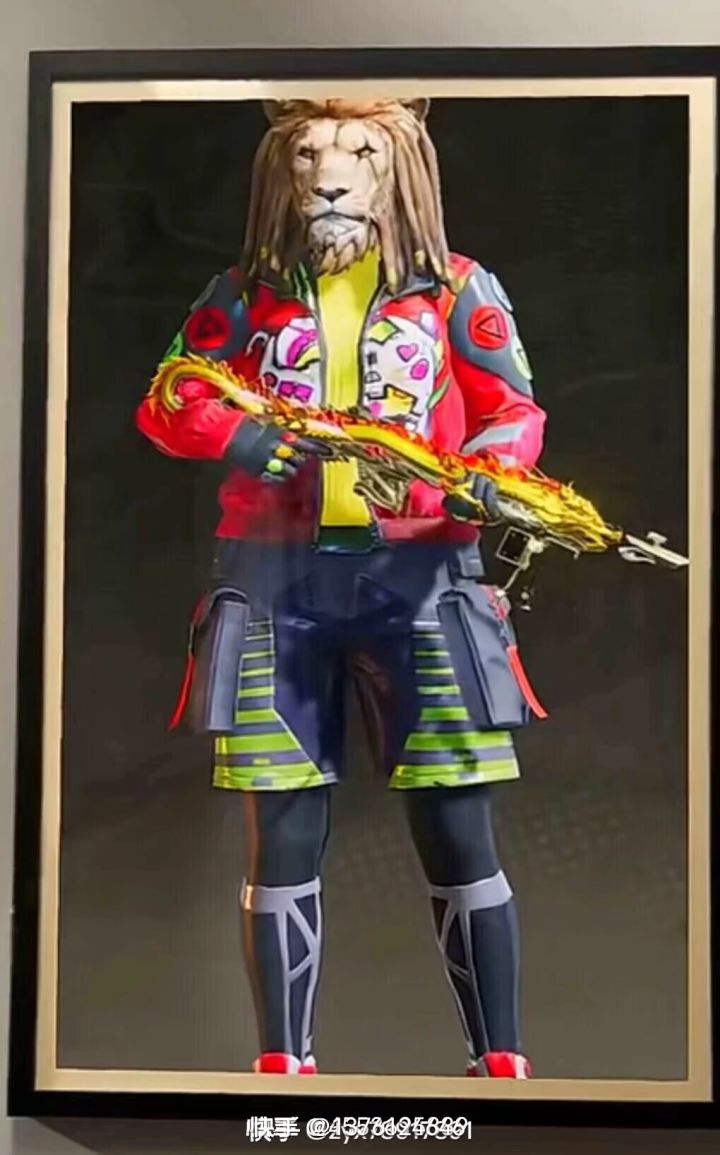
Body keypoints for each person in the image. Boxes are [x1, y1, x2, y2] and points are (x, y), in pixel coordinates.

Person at [137, 97, 546, 1079]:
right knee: (281, 824)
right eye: (310, 154)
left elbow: (514, 410)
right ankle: (284, 1066)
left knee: (458, 816)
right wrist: (239, 434)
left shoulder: (457, 289)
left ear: (399, 167)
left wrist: (487, 474)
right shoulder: (244, 294)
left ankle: (501, 1062)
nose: (330, 174)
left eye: (359, 152)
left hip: (425, 580)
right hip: (273, 584)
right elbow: (171, 397)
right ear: (280, 172)